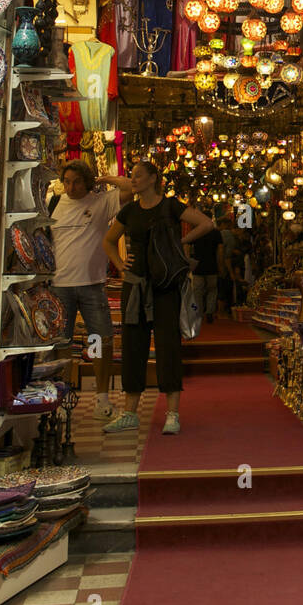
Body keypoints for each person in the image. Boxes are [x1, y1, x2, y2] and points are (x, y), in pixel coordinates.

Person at [101, 161, 215, 436]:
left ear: (153, 178)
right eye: (132, 176)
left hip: (166, 286)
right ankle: (130, 412)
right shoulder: (129, 210)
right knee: (133, 345)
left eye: (138, 176)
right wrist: (119, 260)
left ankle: (172, 413)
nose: (134, 180)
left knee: (168, 346)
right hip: (135, 285)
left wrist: (179, 244)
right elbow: (108, 240)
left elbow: (206, 224)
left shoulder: (171, 206)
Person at [50, 160, 134, 422]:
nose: (71, 187)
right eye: (67, 181)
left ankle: (101, 397)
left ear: (87, 182)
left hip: (91, 285)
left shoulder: (101, 202)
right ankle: (62, 398)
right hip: (59, 286)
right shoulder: (53, 204)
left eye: (76, 181)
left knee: (99, 340)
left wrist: (104, 179)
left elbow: (130, 187)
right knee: (61, 344)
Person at [183, 200, 223, 323]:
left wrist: (187, 259)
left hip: (197, 265)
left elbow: (187, 245)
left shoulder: (196, 231)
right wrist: (220, 265)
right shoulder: (216, 233)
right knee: (212, 290)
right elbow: (220, 251)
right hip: (212, 265)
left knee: (198, 291)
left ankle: (199, 313)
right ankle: (210, 311)